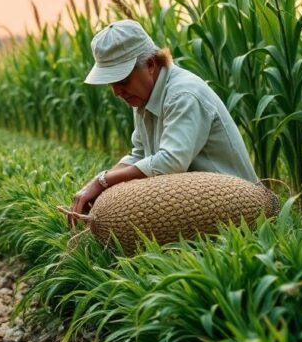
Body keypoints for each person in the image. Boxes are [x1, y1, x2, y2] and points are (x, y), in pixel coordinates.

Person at [68, 19, 257, 227]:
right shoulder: (142, 98)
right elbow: (139, 155)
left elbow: (171, 162)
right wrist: (97, 188)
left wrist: (102, 181)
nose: (116, 92)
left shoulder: (183, 95)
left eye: (122, 81)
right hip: (194, 204)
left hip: (238, 208)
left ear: (150, 64)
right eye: (111, 83)